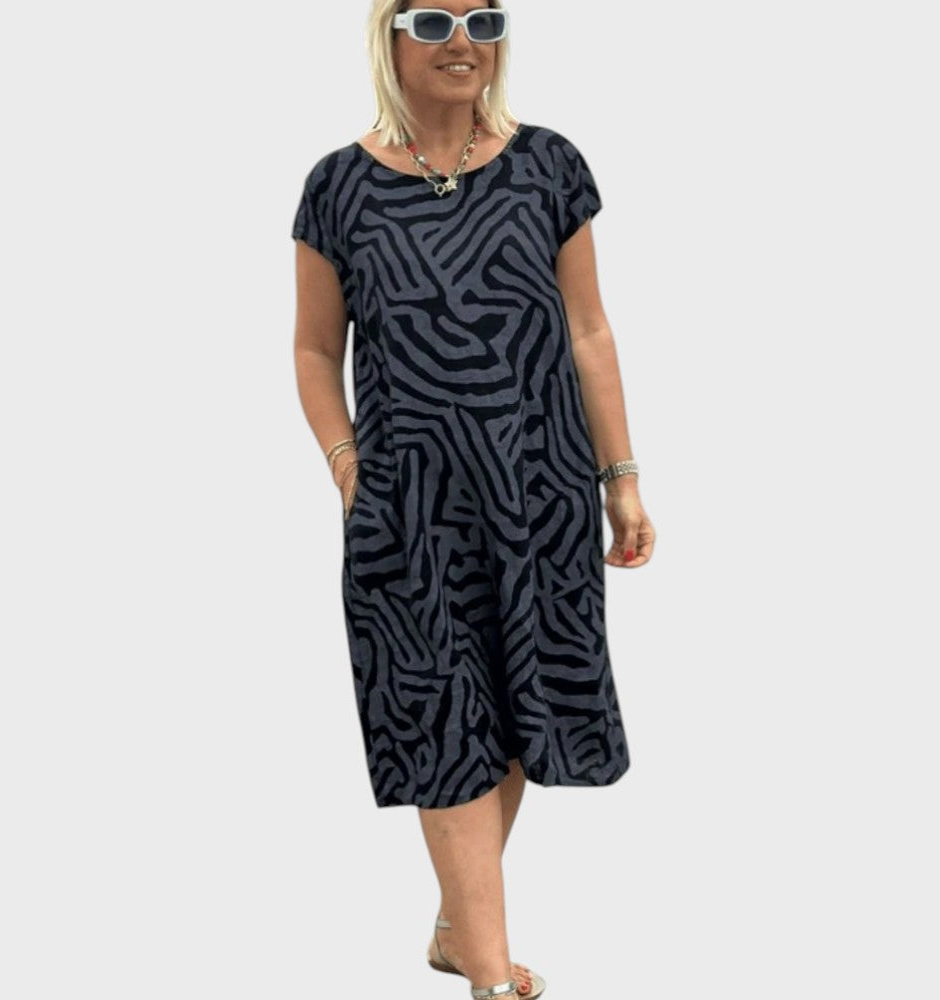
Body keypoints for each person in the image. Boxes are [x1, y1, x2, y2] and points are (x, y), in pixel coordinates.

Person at [291, 2, 656, 997]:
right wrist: (345, 461)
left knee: (520, 708)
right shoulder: (337, 187)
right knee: (439, 710)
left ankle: (458, 930)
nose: (462, 40)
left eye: (483, 18)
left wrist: (621, 479)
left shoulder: (548, 166)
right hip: (409, 504)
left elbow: (588, 330)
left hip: (540, 488)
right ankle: (490, 976)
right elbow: (314, 347)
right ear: (389, 37)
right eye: (434, 19)